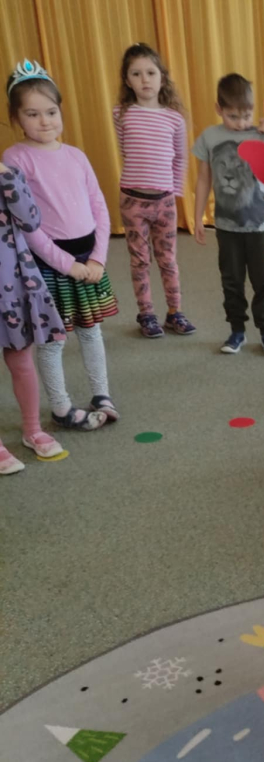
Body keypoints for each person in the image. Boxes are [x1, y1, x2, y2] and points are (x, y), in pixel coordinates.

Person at [5, 60, 118, 429]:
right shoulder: (16, 158)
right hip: (50, 264)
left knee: (91, 331)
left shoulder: (76, 156)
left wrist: (98, 258)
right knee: (52, 341)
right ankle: (61, 407)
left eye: (51, 112)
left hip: (89, 259)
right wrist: (67, 264)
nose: (45, 121)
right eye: (33, 114)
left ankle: (102, 394)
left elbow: (99, 207)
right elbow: (27, 226)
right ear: (17, 118)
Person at [193, 73, 264, 356]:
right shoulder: (210, 137)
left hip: (261, 225)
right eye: (233, 116)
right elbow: (204, 179)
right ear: (219, 109)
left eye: (246, 116)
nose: (242, 123)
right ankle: (237, 331)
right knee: (231, 280)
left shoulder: (260, 135)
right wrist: (197, 217)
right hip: (226, 226)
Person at [114, 43, 194, 338]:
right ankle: (146, 314)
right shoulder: (121, 113)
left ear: (162, 77)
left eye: (150, 72)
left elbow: (180, 158)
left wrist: (172, 192)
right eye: (136, 74)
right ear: (127, 80)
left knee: (168, 259)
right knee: (139, 260)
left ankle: (175, 312)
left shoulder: (174, 118)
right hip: (133, 201)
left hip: (164, 202)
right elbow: (126, 150)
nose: (144, 79)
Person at [0, 160, 67, 470]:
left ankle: (32, 429)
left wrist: (7, 178)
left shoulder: (10, 175)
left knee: (21, 360)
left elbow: (30, 220)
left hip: (12, 283)